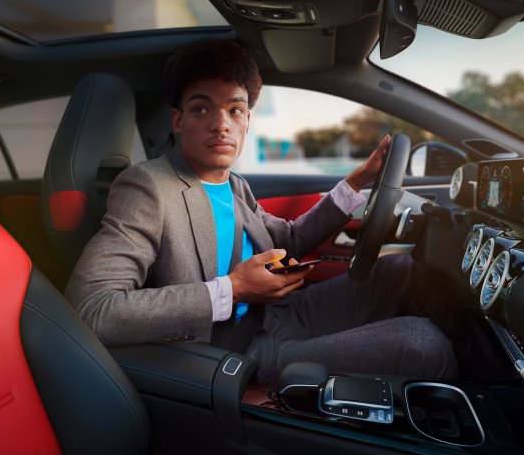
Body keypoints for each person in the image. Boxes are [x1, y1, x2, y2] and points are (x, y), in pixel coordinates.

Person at [65, 39, 458, 378]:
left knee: (402, 271)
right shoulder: (147, 187)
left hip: (277, 313)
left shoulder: (234, 184)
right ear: (178, 120)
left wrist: (355, 184)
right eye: (202, 109)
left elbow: (287, 239)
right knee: (421, 344)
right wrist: (232, 290)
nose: (221, 123)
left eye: (234, 110)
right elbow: (93, 309)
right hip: (234, 350)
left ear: (247, 120)